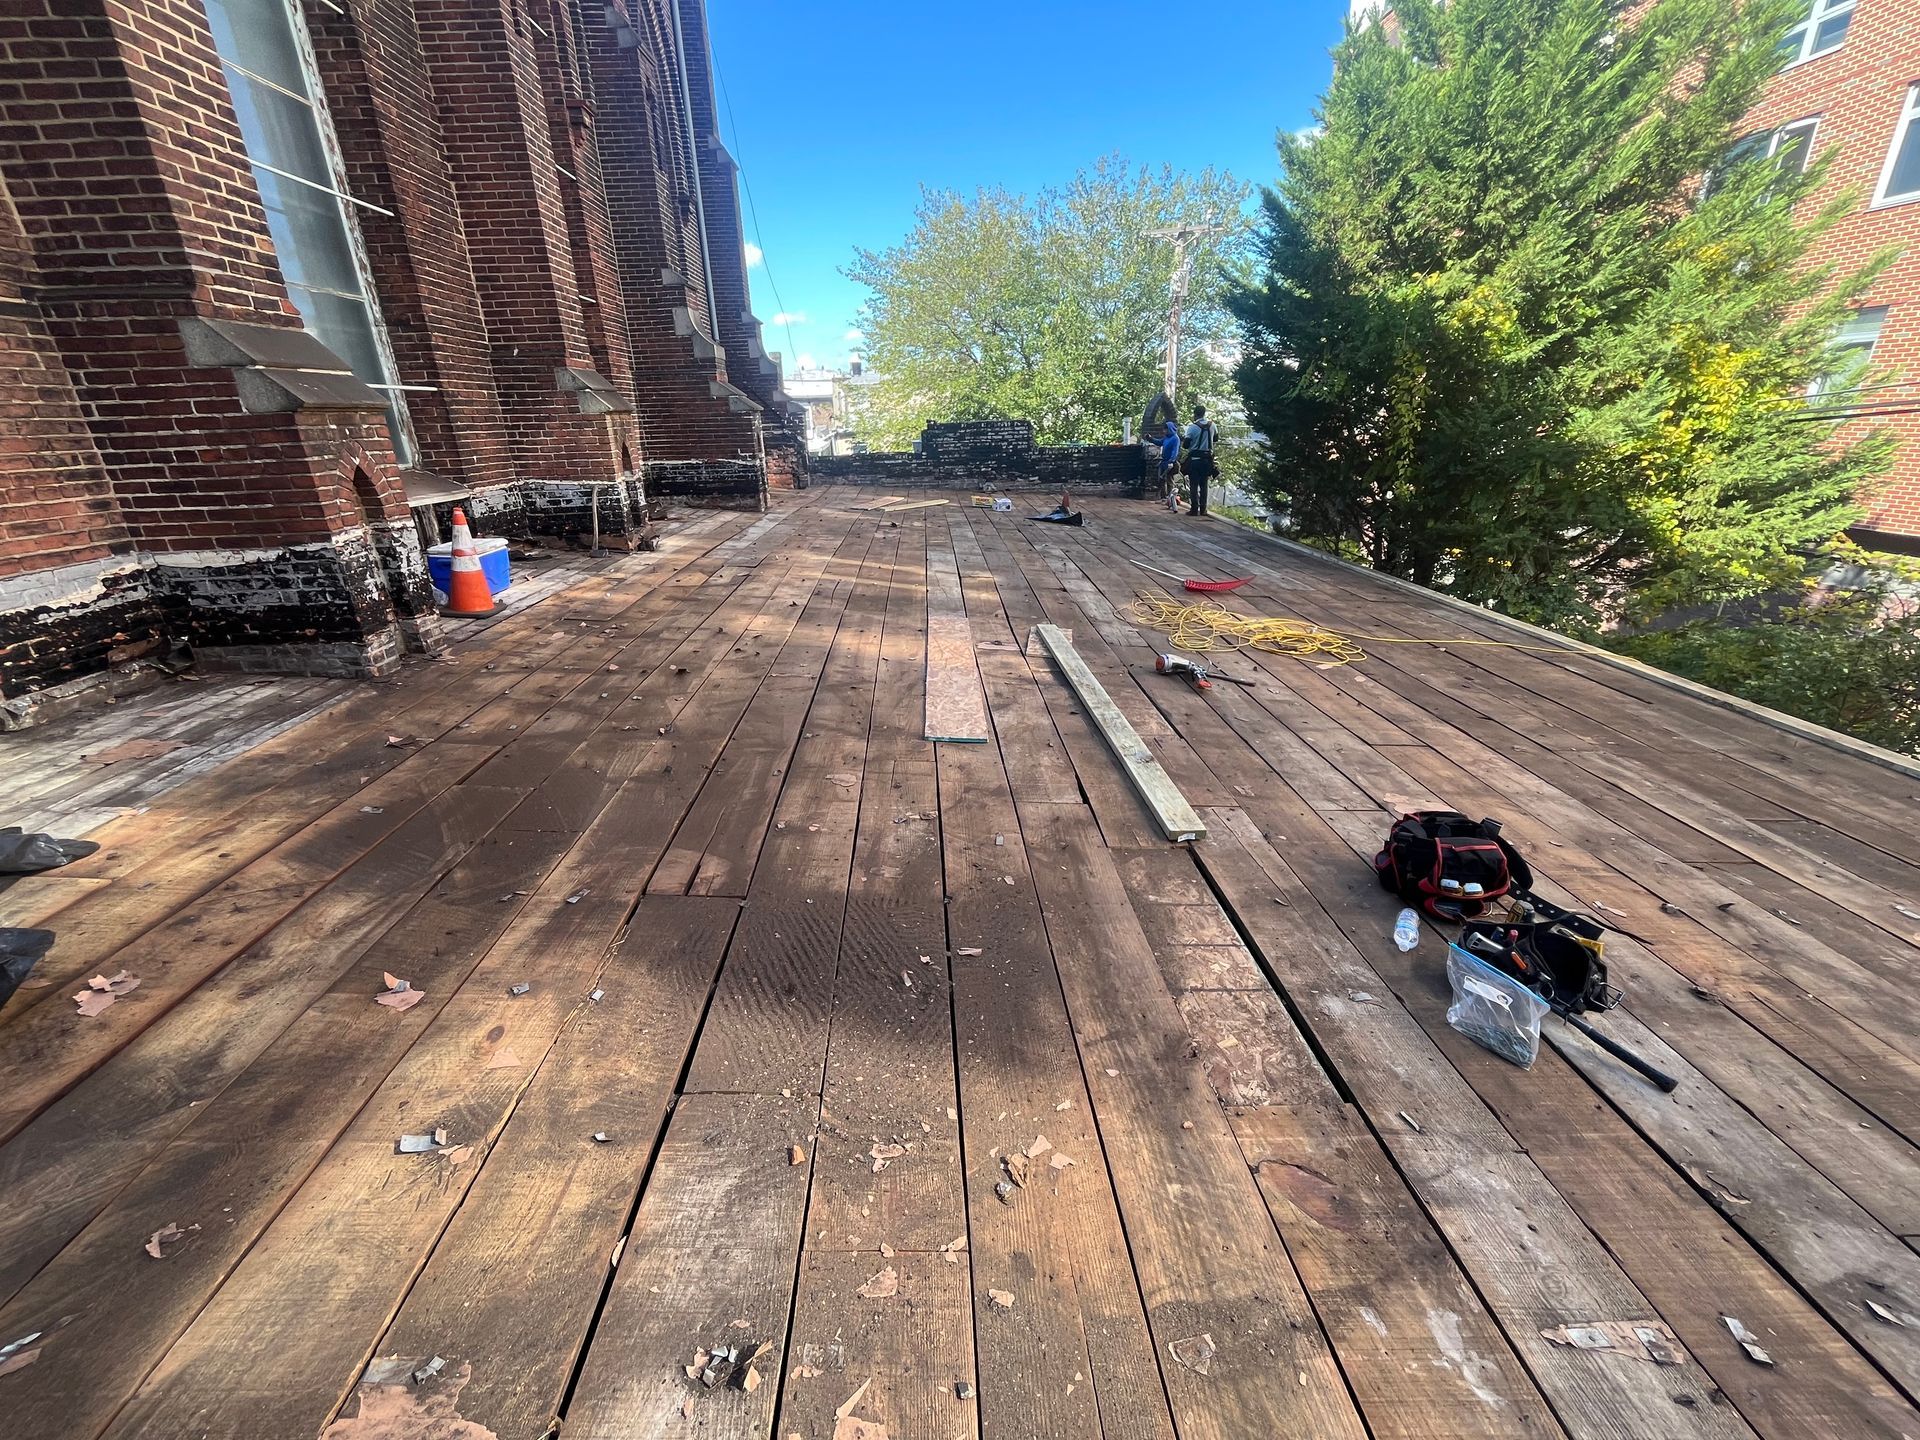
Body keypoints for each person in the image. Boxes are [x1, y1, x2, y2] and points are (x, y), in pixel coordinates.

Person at [1183, 406, 1217, 516]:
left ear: (1195, 414)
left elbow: (1186, 444)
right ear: (1204, 413)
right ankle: (1203, 509)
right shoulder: (1213, 425)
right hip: (1207, 459)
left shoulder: (1192, 427)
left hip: (1195, 459)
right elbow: (1216, 438)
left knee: (1194, 484)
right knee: (1204, 484)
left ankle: (1194, 509)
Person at [1158, 420, 1182, 509]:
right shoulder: (1166, 438)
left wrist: (1171, 460)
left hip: (1171, 462)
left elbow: (1174, 451)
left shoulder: (1175, 438)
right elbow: (1159, 442)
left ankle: (1171, 498)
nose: (1164, 431)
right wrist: (1151, 439)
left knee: (1169, 480)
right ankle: (1163, 497)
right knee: (1161, 479)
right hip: (1164, 461)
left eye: (1166, 430)